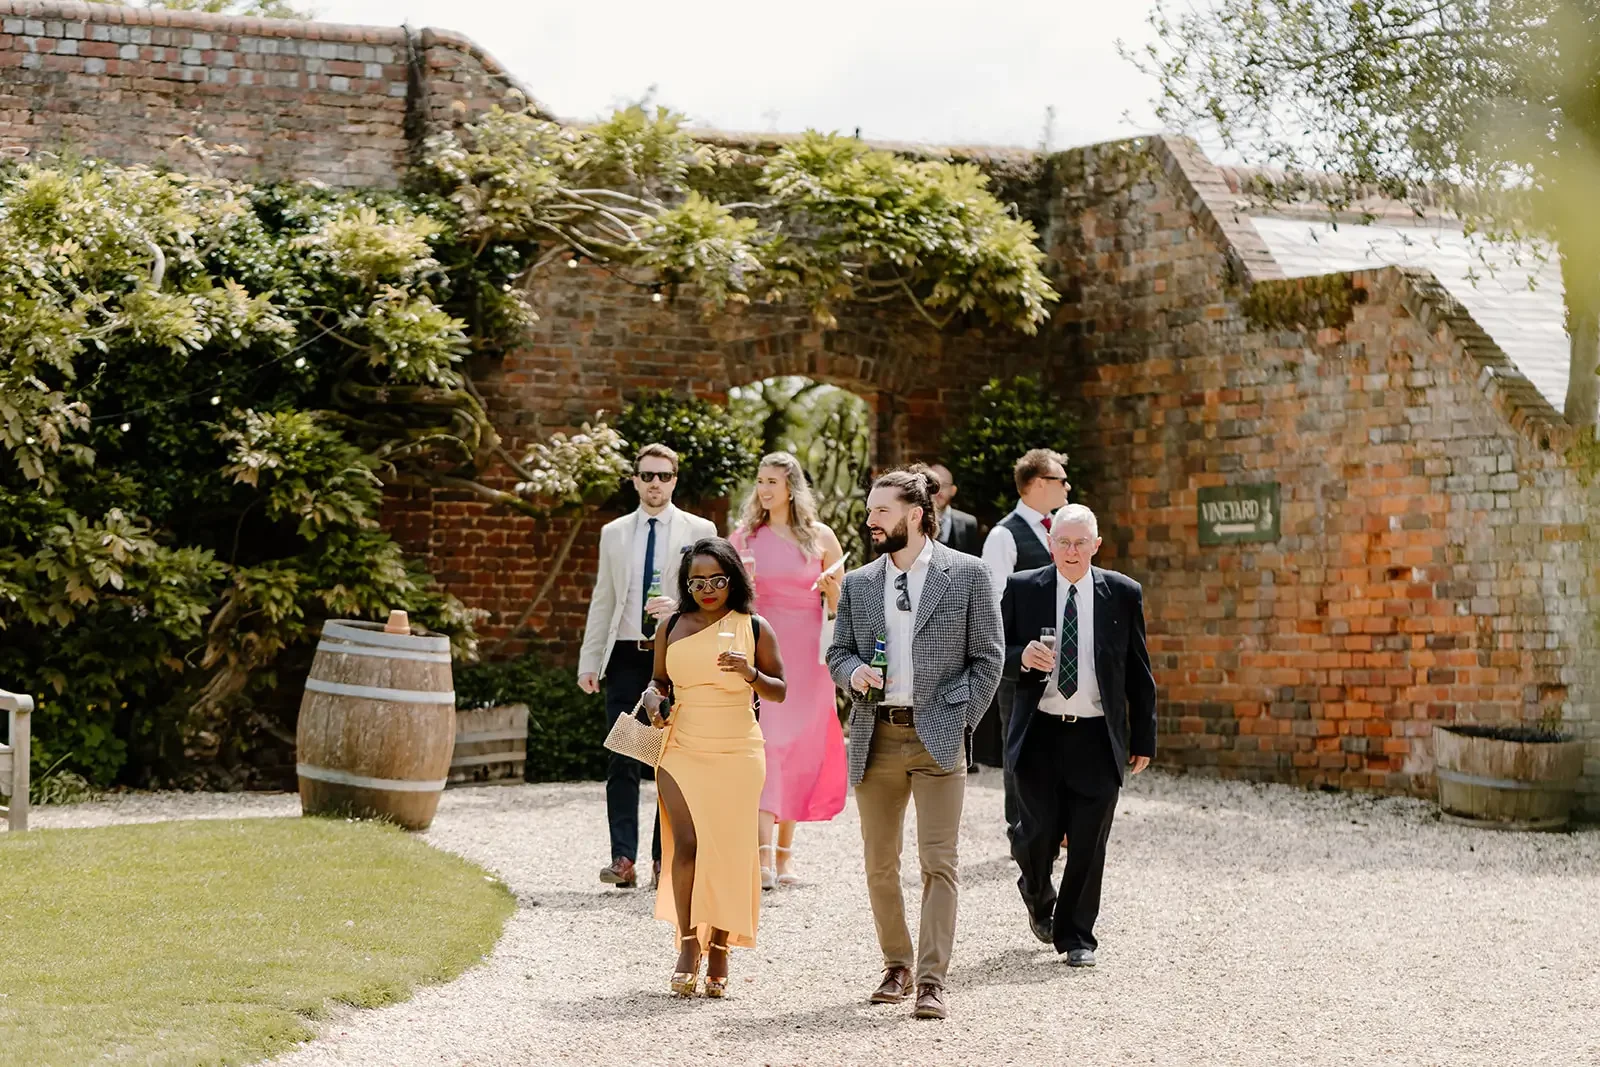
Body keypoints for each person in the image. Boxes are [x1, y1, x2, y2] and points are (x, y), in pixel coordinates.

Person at [826, 466, 1003, 1021]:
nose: (871, 520)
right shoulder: (857, 583)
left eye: (882, 510)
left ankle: (931, 980)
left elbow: (989, 658)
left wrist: (960, 719)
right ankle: (896, 964)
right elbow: (838, 654)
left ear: (915, 515)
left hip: (939, 737)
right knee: (880, 863)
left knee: (938, 863)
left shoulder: (969, 575)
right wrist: (853, 672)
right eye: (871, 510)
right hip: (875, 736)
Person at [1001, 503, 1156, 967]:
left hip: (1095, 735)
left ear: (1097, 544)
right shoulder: (1023, 588)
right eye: (1063, 542)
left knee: (1089, 839)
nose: (1071, 551)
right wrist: (1021, 657)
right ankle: (1034, 887)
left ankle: (1076, 937)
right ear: (1051, 543)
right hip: (1040, 733)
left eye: (1080, 542)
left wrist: (1143, 738)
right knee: (1037, 836)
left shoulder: (1123, 593)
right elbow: (993, 654)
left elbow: (1138, 671)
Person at [640, 538, 786, 998]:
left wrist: (750, 674)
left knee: (728, 848)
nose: (707, 589)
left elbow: (779, 689)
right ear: (686, 583)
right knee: (685, 844)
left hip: (738, 748)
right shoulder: (670, 626)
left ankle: (720, 945)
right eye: (697, 581)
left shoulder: (755, 627)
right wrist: (651, 698)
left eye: (717, 580)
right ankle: (687, 944)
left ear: (733, 579)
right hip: (681, 744)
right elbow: (659, 681)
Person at [577, 443, 717, 890]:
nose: (655, 483)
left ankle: (663, 859)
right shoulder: (614, 532)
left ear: (675, 480)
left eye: (663, 476)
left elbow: (714, 593)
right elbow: (603, 599)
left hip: (673, 654)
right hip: (622, 653)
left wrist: (680, 605)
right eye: (647, 476)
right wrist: (589, 660)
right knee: (622, 756)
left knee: (668, 761)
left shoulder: (700, 529)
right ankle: (623, 858)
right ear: (635, 480)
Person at [729, 452, 848, 890]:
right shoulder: (743, 539)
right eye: (760, 480)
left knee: (799, 748)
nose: (763, 489)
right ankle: (761, 856)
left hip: (809, 655)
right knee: (768, 745)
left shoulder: (820, 538)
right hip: (763, 650)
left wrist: (833, 592)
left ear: (791, 488)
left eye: (773, 482)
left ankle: (785, 857)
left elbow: (843, 609)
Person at [977, 449, 1072, 818]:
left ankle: (1057, 825)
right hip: (1023, 664)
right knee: (1020, 746)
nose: (1067, 486)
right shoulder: (1004, 536)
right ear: (1035, 484)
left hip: (1066, 656)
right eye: (1060, 480)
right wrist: (1014, 657)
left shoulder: (1064, 532)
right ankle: (1021, 829)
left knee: (1062, 743)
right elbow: (992, 607)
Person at [929, 463, 980, 556]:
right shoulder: (914, 521)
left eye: (943, 485)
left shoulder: (968, 523)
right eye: (933, 486)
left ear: (953, 490)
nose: (938, 492)